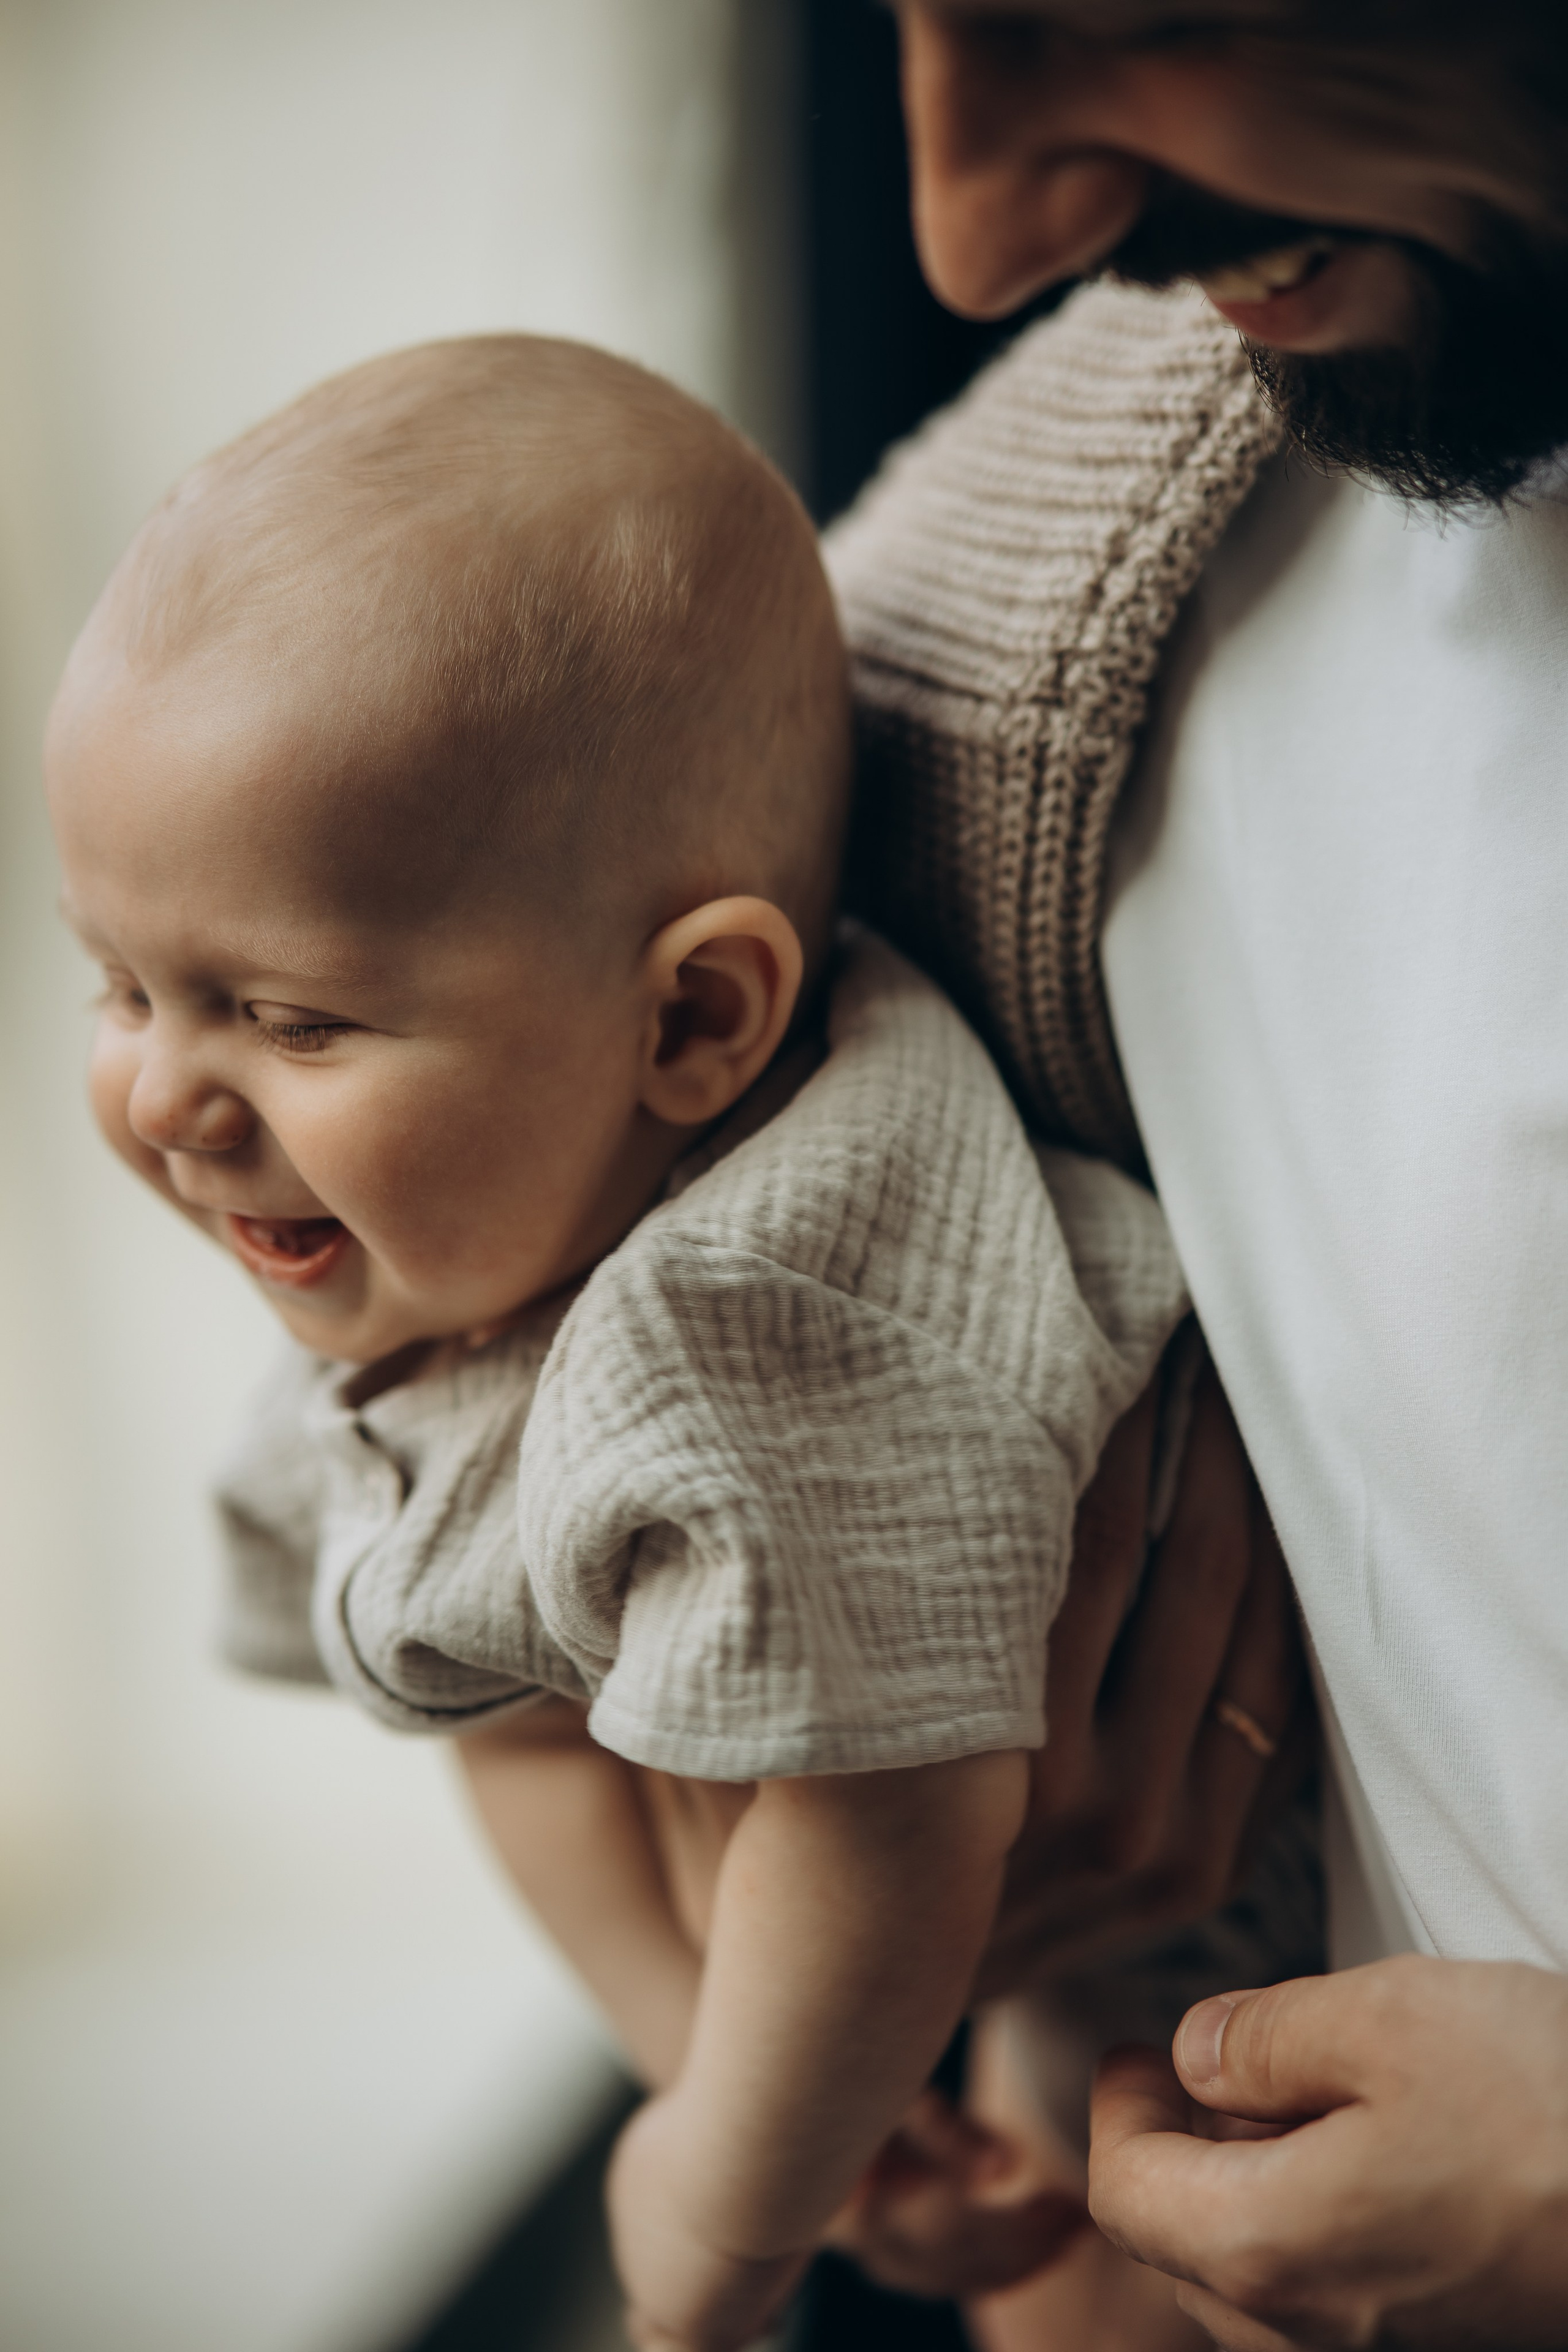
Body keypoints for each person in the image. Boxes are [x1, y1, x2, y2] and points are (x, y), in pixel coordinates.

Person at [45, 332, 1297, 2352]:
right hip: (969, 1945)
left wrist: (724, 2215)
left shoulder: (760, 1330)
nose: (172, 1100)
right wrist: (707, 2060)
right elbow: (501, 1709)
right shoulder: (451, 1251)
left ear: (699, 1024)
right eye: (123, 983)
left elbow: (883, 1821)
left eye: (289, 1017)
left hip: (1239, 1941)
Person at [820, 4, 1568, 2345]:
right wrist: (829, 1960)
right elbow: (423, 1378)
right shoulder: (1025, 620)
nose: (978, 235)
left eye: (1106, 11)